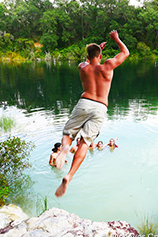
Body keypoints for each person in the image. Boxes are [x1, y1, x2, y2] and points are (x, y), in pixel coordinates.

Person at [55, 30, 130, 197]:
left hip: (85, 102)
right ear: (101, 56)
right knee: (85, 142)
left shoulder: (83, 67)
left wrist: (94, 53)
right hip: (100, 107)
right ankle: (69, 176)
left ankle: (64, 150)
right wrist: (116, 39)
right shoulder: (108, 65)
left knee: (68, 133)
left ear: (88, 56)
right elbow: (125, 52)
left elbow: (86, 62)